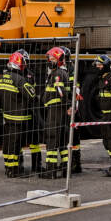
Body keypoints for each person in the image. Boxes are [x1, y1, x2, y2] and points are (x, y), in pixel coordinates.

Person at [0, 49, 38, 178]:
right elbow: (32, 94)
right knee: (15, 144)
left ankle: (8, 167)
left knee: (7, 143)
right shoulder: (19, 79)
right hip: (19, 118)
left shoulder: (1, 78)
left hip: (7, 117)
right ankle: (14, 170)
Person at [40, 46, 72, 179]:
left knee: (52, 138)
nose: (49, 60)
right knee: (62, 141)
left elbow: (61, 92)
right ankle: (65, 169)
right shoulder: (61, 72)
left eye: (51, 58)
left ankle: (50, 170)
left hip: (55, 110)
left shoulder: (57, 74)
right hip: (60, 110)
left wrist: (63, 104)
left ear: (58, 59)